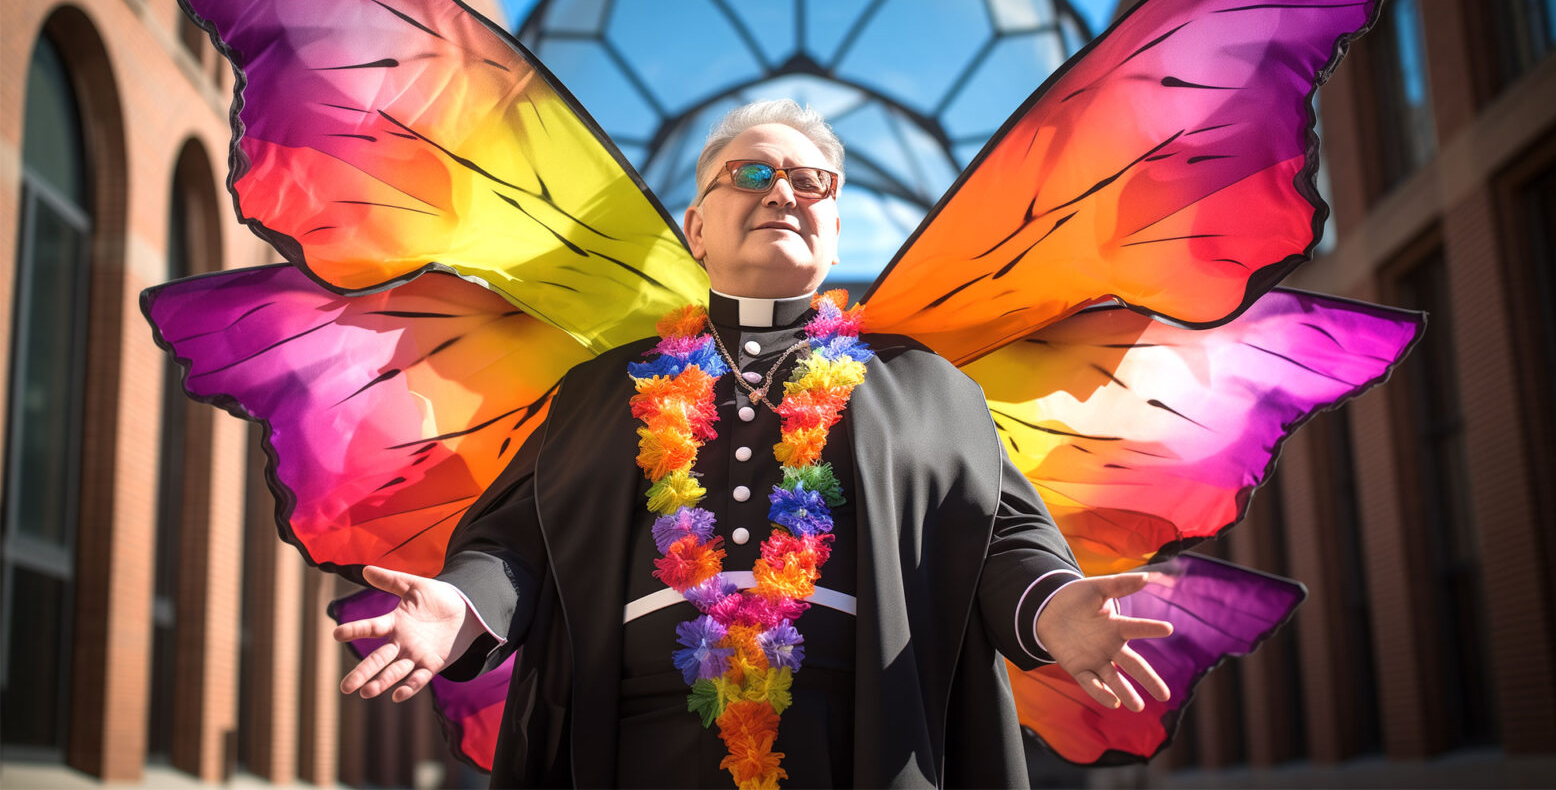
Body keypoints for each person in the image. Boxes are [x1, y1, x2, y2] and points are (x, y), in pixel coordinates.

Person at [333, 100, 1174, 788]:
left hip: (864, 741)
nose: (782, 193)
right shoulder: (602, 388)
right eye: (751, 174)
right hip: (636, 745)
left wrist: (1051, 604)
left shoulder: (931, 387)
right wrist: (462, 605)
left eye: (811, 181)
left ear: (835, 230)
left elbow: (997, 537)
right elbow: (518, 542)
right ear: (697, 228)